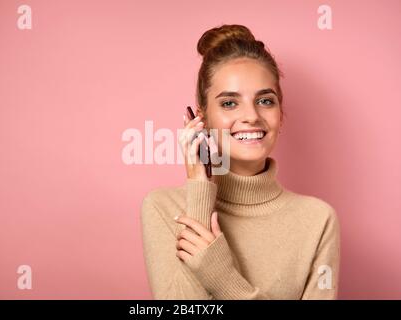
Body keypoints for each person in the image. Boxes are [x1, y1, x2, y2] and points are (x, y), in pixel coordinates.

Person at [140, 24, 340, 299]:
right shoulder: (163, 208)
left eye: (265, 101)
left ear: (280, 115)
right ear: (202, 118)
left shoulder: (318, 220)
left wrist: (222, 278)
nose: (251, 116)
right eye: (229, 103)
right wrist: (199, 187)